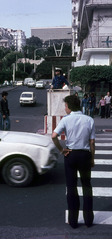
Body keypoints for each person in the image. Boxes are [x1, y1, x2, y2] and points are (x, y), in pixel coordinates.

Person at [52, 95, 95, 229]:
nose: (65, 108)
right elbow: (92, 142)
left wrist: (61, 150)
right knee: (87, 186)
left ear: (69, 107)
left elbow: (54, 136)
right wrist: (92, 158)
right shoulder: (89, 119)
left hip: (70, 154)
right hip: (85, 155)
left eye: (65, 106)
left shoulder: (66, 120)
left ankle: (73, 220)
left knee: (71, 187)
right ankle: (88, 220)